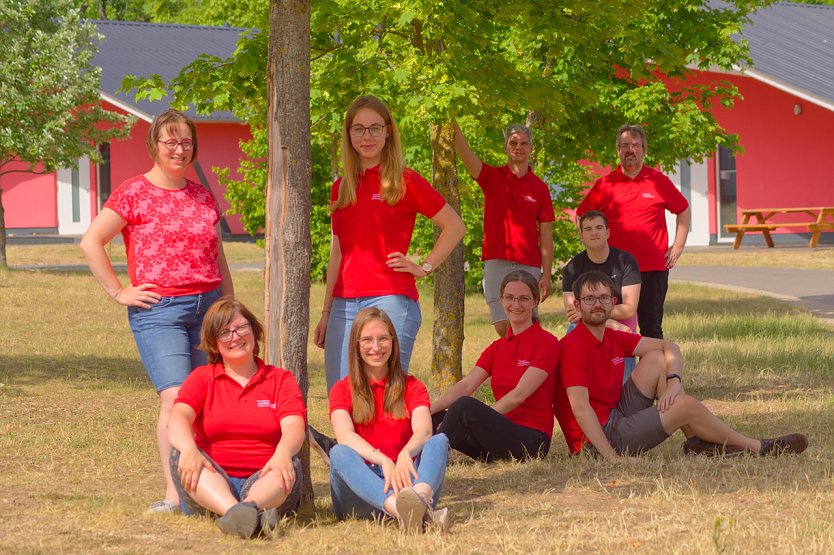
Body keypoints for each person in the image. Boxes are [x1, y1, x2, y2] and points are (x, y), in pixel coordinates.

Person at [80, 108, 233, 513]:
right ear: (154, 145)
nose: (179, 149)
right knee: (176, 398)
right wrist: (118, 292)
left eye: (186, 142)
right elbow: (91, 242)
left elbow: (217, 254)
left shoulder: (202, 195)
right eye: (171, 141)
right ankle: (175, 494)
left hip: (209, 307)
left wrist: (229, 308)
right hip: (159, 311)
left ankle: (206, 485)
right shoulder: (133, 192)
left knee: (205, 399)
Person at [554, 271, 809, 459]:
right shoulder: (574, 345)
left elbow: (669, 347)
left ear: (613, 302)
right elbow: (580, 408)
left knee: (655, 358)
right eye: (589, 299)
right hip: (594, 442)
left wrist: (674, 382)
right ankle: (759, 448)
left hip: (614, 414)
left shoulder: (611, 335)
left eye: (603, 298)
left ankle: (698, 443)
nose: (597, 304)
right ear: (577, 305)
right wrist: (612, 457)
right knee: (684, 405)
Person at [314, 95, 465, 392]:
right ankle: (349, 442)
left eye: (374, 128)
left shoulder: (404, 181)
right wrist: (326, 312)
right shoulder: (341, 188)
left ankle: (397, 440)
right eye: (358, 129)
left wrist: (423, 267)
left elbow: (455, 226)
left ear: (388, 132)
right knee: (341, 393)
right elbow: (338, 254)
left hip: (390, 299)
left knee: (383, 394)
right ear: (348, 134)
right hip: (344, 304)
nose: (366, 136)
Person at [167, 298, 306, 538]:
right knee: (179, 454)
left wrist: (282, 453)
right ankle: (240, 512)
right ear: (214, 343)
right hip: (213, 480)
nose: (235, 337)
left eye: (241, 328)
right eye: (224, 333)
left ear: (254, 331)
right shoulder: (202, 377)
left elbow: (294, 424)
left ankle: (242, 513)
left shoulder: (280, 379)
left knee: (289, 462)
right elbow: (178, 416)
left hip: (264, 479)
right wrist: (189, 448)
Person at [328, 307, 449, 532]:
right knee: (338, 453)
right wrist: (383, 460)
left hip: (407, 482)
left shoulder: (413, 387)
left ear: (393, 342)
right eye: (367, 340)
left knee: (439, 441)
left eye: (383, 338)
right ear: (356, 344)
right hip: (360, 492)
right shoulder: (342, 389)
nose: (376, 347)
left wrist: (405, 453)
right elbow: (344, 435)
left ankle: (418, 502)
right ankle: (408, 513)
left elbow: (424, 431)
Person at [430, 270, 559, 462]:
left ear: (535, 301)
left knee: (464, 407)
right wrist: (425, 412)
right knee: (432, 419)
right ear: (501, 300)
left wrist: (479, 420)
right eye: (509, 298)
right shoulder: (497, 348)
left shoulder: (547, 343)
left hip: (530, 442)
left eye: (524, 298)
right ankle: (400, 458)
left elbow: (519, 395)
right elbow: (466, 386)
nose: (516, 305)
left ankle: (427, 464)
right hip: (494, 440)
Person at [577, 124, 690, 339]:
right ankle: (620, 372)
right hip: (614, 269)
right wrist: (593, 248)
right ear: (618, 150)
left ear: (644, 150)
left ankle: (653, 372)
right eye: (625, 145)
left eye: (636, 145)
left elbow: (683, 210)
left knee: (651, 329)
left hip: (652, 267)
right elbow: (582, 216)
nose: (631, 150)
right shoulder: (605, 184)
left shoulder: (658, 181)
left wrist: (678, 246)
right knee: (614, 327)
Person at [455, 122, 555, 337]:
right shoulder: (491, 177)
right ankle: (514, 365)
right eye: (513, 143)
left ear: (531, 148)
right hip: (496, 261)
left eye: (524, 143)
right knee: (502, 324)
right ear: (506, 147)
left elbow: (546, 235)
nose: (518, 147)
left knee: (527, 323)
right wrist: (449, 116)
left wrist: (546, 274)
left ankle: (531, 367)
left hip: (528, 263)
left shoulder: (540, 188)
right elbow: (464, 153)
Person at [562, 209, 641, 382]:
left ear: (608, 232)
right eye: (588, 229)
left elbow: (629, 309)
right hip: (590, 329)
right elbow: (573, 313)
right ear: (581, 235)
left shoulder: (626, 262)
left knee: (619, 391)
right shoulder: (572, 268)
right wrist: (610, 322)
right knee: (572, 332)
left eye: (598, 227)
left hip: (622, 332)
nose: (594, 232)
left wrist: (595, 315)